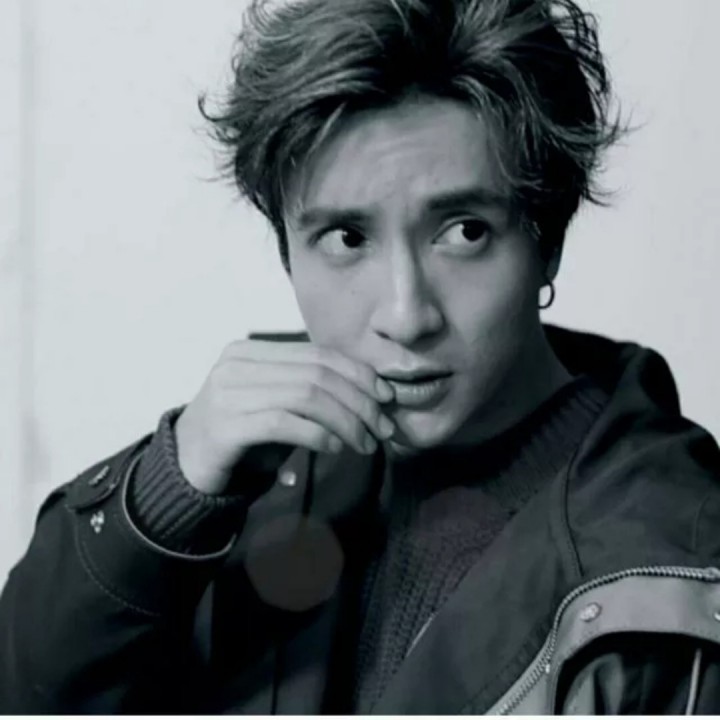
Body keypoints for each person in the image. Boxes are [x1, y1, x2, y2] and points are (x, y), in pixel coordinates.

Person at [2, 0, 720, 713]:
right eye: (347, 239)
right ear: (287, 251)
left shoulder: (668, 574)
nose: (405, 316)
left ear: (547, 240)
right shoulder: (258, 467)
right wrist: (168, 494)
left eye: (465, 232)